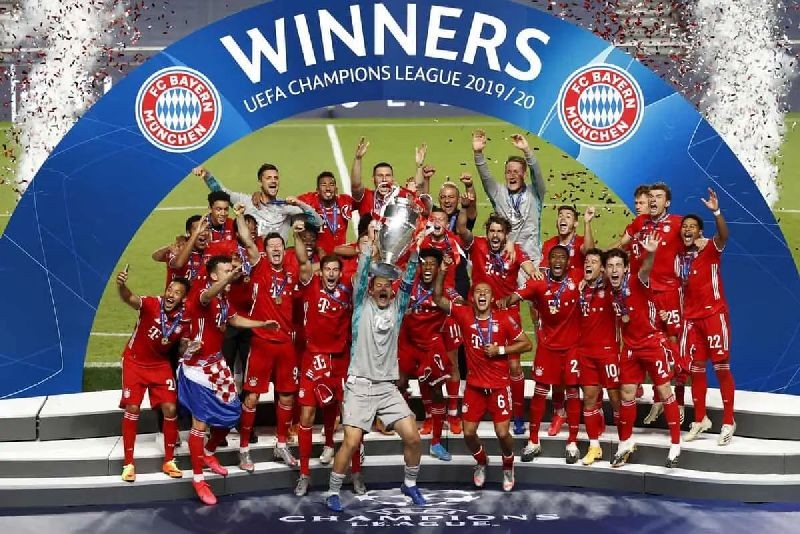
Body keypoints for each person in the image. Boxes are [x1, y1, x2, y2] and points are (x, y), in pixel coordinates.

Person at [324, 225, 427, 512]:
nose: (384, 287)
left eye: (387, 285)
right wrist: (368, 246)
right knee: (352, 440)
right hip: (359, 386)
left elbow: (408, 280)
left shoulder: (397, 306)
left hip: (386, 388)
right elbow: (359, 277)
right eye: (378, 284)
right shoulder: (361, 306)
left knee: (413, 438)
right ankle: (333, 491)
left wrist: (415, 248)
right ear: (371, 288)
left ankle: (409, 484)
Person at [178, 255, 279, 505]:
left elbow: (234, 319)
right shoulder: (203, 294)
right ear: (214, 275)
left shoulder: (224, 300)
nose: (231, 273)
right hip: (196, 370)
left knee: (233, 413)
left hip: (217, 364)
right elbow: (208, 295)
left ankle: (209, 453)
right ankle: (198, 479)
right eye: (226, 270)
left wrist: (261, 324)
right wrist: (227, 280)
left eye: (232, 270)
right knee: (199, 425)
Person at [433, 259, 532, 492]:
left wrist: (500, 350)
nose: (482, 295)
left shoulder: (503, 319)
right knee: (468, 433)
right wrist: (443, 271)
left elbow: (526, 344)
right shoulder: (465, 315)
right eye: (478, 292)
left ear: (491, 297)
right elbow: (438, 299)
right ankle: (481, 461)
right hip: (475, 387)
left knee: (502, 433)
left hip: (499, 386)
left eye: (486, 292)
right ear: (472, 297)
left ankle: (508, 465)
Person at [455, 209, 541, 434]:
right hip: (480, 309)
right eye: (491, 231)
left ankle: (519, 414)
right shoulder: (477, 245)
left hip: (507, 312)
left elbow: (531, 273)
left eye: (500, 232)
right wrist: (466, 206)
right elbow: (462, 229)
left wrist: (517, 295)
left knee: (513, 365)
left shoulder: (516, 251)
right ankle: (475, 406)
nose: (495, 235)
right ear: (487, 232)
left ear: (506, 235)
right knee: (477, 357)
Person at [499, 245, 583, 464]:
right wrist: (500, 303)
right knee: (539, 393)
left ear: (568, 262)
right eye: (553, 257)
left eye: (561, 258)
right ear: (548, 261)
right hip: (547, 347)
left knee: (573, 393)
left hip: (572, 348)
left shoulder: (578, 278)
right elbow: (514, 298)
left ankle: (573, 442)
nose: (557, 261)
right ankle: (533, 441)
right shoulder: (538, 281)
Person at [604, 239, 683, 468]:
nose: (615, 270)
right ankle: (625, 442)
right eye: (610, 266)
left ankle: (675, 444)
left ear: (626, 268)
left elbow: (646, 267)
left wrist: (650, 253)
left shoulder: (637, 280)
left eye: (619, 265)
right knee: (626, 393)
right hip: (630, 347)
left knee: (663, 389)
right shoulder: (611, 290)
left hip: (651, 343)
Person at [235, 210, 302, 470]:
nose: (276, 249)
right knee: (251, 397)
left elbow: (306, 262)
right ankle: (243, 450)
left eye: (279, 246)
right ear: (265, 251)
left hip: (285, 343)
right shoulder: (259, 263)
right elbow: (246, 239)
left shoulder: (291, 269)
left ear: (284, 250)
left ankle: (281, 444)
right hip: (262, 342)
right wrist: (240, 216)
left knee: (286, 397)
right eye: (271, 246)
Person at [615, 182, 686, 424]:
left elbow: (697, 241)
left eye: (658, 197)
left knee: (672, 345)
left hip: (668, 293)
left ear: (667, 202)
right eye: (651, 196)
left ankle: (678, 401)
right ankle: (658, 400)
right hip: (643, 295)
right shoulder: (640, 224)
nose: (653, 200)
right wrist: (598, 259)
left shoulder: (677, 223)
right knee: (644, 342)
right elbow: (620, 245)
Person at [293, 247, 361, 496]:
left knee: (350, 418)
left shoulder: (349, 291)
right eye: (327, 270)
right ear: (320, 272)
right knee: (307, 416)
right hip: (313, 359)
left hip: (341, 360)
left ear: (340, 273)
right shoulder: (310, 286)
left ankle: (355, 473)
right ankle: (304, 474)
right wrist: (299, 233)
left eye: (335, 270)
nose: (331, 273)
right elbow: (302, 259)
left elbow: (363, 277)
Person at [116, 270, 190, 483]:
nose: (170, 294)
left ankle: (169, 460)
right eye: (169, 290)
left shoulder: (184, 319)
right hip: (135, 362)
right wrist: (121, 286)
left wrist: (189, 348)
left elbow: (183, 347)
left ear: (183, 298)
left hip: (159, 365)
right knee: (133, 408)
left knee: (171, 408)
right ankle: (128, 463)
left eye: (176, 292)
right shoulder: (150, 304)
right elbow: (129, 298)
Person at [679, 189, 736, 445]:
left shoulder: (711, 249)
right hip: (692, 320)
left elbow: (724, 235)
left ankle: (728, 420)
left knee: (721, 367)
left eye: (692, 226)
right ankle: (700, 418)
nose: (687, 229)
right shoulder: (682, 258)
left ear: (700, 231)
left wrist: (716, 211)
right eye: (685, 227)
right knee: (697, 370)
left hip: (714, 315)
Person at [398, 248, 455, 461]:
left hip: (431, 343)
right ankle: (405, 427)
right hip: (409, 340)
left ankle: (437, 442)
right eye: (425, 263)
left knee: (437, 390)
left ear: (439, 268)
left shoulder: (445, 291)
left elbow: (457, 304)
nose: (428, 267)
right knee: (399, 381)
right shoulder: (410, 284)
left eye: (433, 264)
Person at [471, 130, 546, 267]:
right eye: (508, 172)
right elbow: (485, 176)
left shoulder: (535, 193)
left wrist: (527, 151)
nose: (512, 175)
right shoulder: (498, 192)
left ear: (525, 174)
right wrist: (478, 154)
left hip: (532, 260)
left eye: (516, 172)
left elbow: (537, 173)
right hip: (504, 259)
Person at [576, 248, 622, 465]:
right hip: (585, 354)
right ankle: (595, 446)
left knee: (616, 400)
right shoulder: (580, 289)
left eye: (594, 262)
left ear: (602, 268)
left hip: (608, 353)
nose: (588, 264)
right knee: (589, 400)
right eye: (587, 261)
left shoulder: (611, 287)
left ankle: (624, 443)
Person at [193, 165, 323, 241]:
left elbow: (318, 222)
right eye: (268, 178)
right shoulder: (246, 201)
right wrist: (207, 175)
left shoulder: (287, 207)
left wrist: (300, 204)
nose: (273, 181)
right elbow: (222, 192)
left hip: (275, 264)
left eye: (276, 178)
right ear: (260, 182)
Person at [349, 137, 421, 220]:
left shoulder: (401, 197)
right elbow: (356, 185)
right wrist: (358, 159)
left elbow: (420, 194)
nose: (384, 179)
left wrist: (419, 167)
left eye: (388, 175)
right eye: (380, 175)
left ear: (393, 179)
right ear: (373, 179)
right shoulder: (366, 197)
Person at [298, 171, 356, 255]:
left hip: (339, 256)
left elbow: (361, 198)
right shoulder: (309, 200)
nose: (328, 188)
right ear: (317, 190)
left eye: (331, 185)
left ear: (336, 190)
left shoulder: (345, 201)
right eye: (323, 185)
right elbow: (291, 203)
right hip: (316, 256)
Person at [541, 205, 596, 275]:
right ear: (556, 223)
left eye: (568, 217)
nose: (563, 219)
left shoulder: (581, 241)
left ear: (575, 223)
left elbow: (590, 253)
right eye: (560, 216)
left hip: (577, 283)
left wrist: (587, 222)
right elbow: (543, 270)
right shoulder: (549, 244)